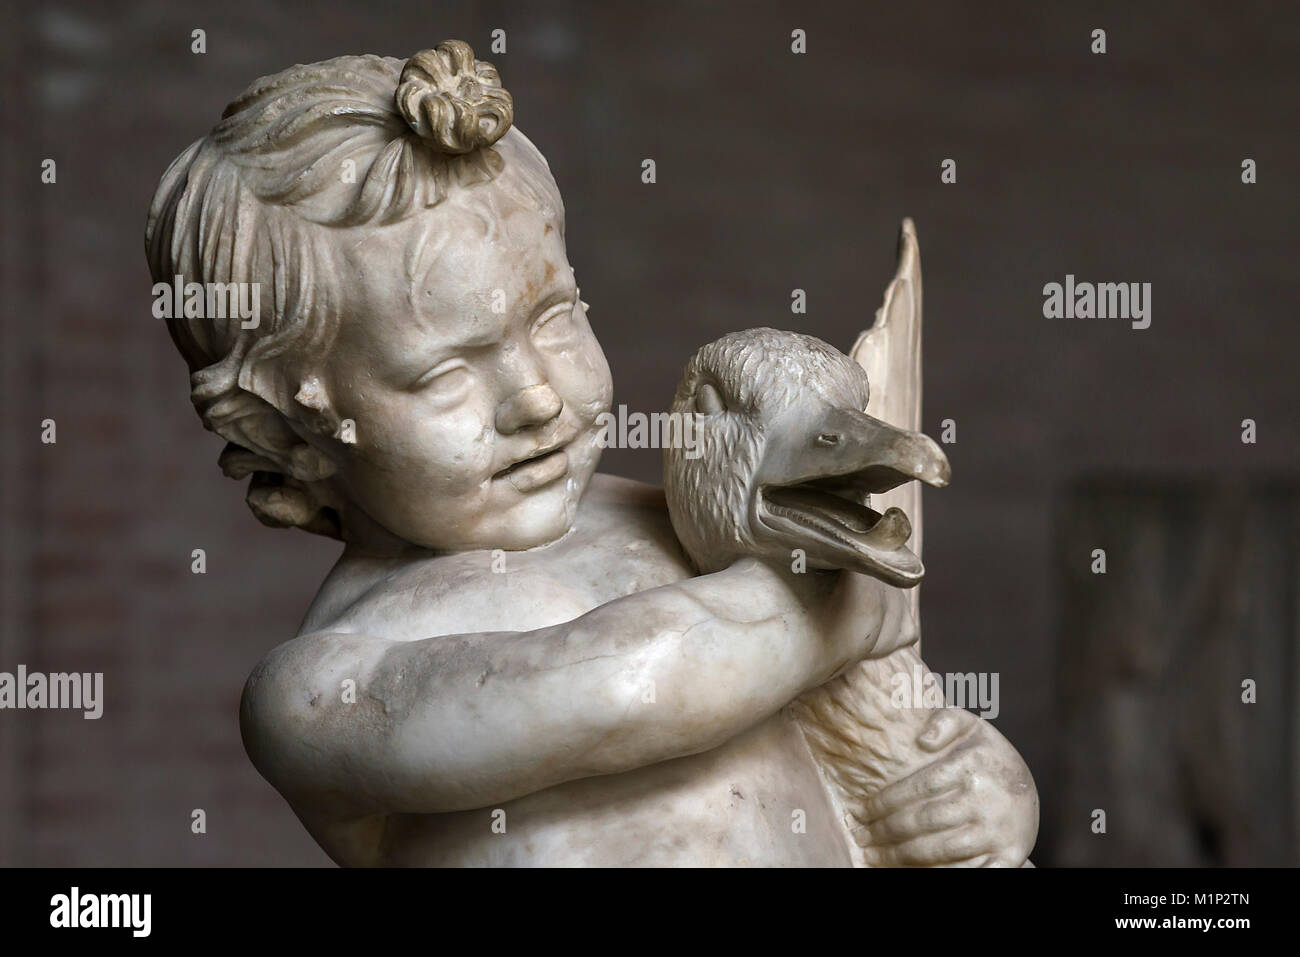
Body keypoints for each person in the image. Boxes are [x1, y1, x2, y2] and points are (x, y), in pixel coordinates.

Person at [145, 41, 1036, 866]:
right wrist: (837, 607)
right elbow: (624, 690)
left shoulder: (689, 523)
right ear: (286, 435)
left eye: (554, 317)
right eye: (444, 374)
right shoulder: (324, 685)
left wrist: (990, 794)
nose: (536, 397)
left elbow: (911, 734)